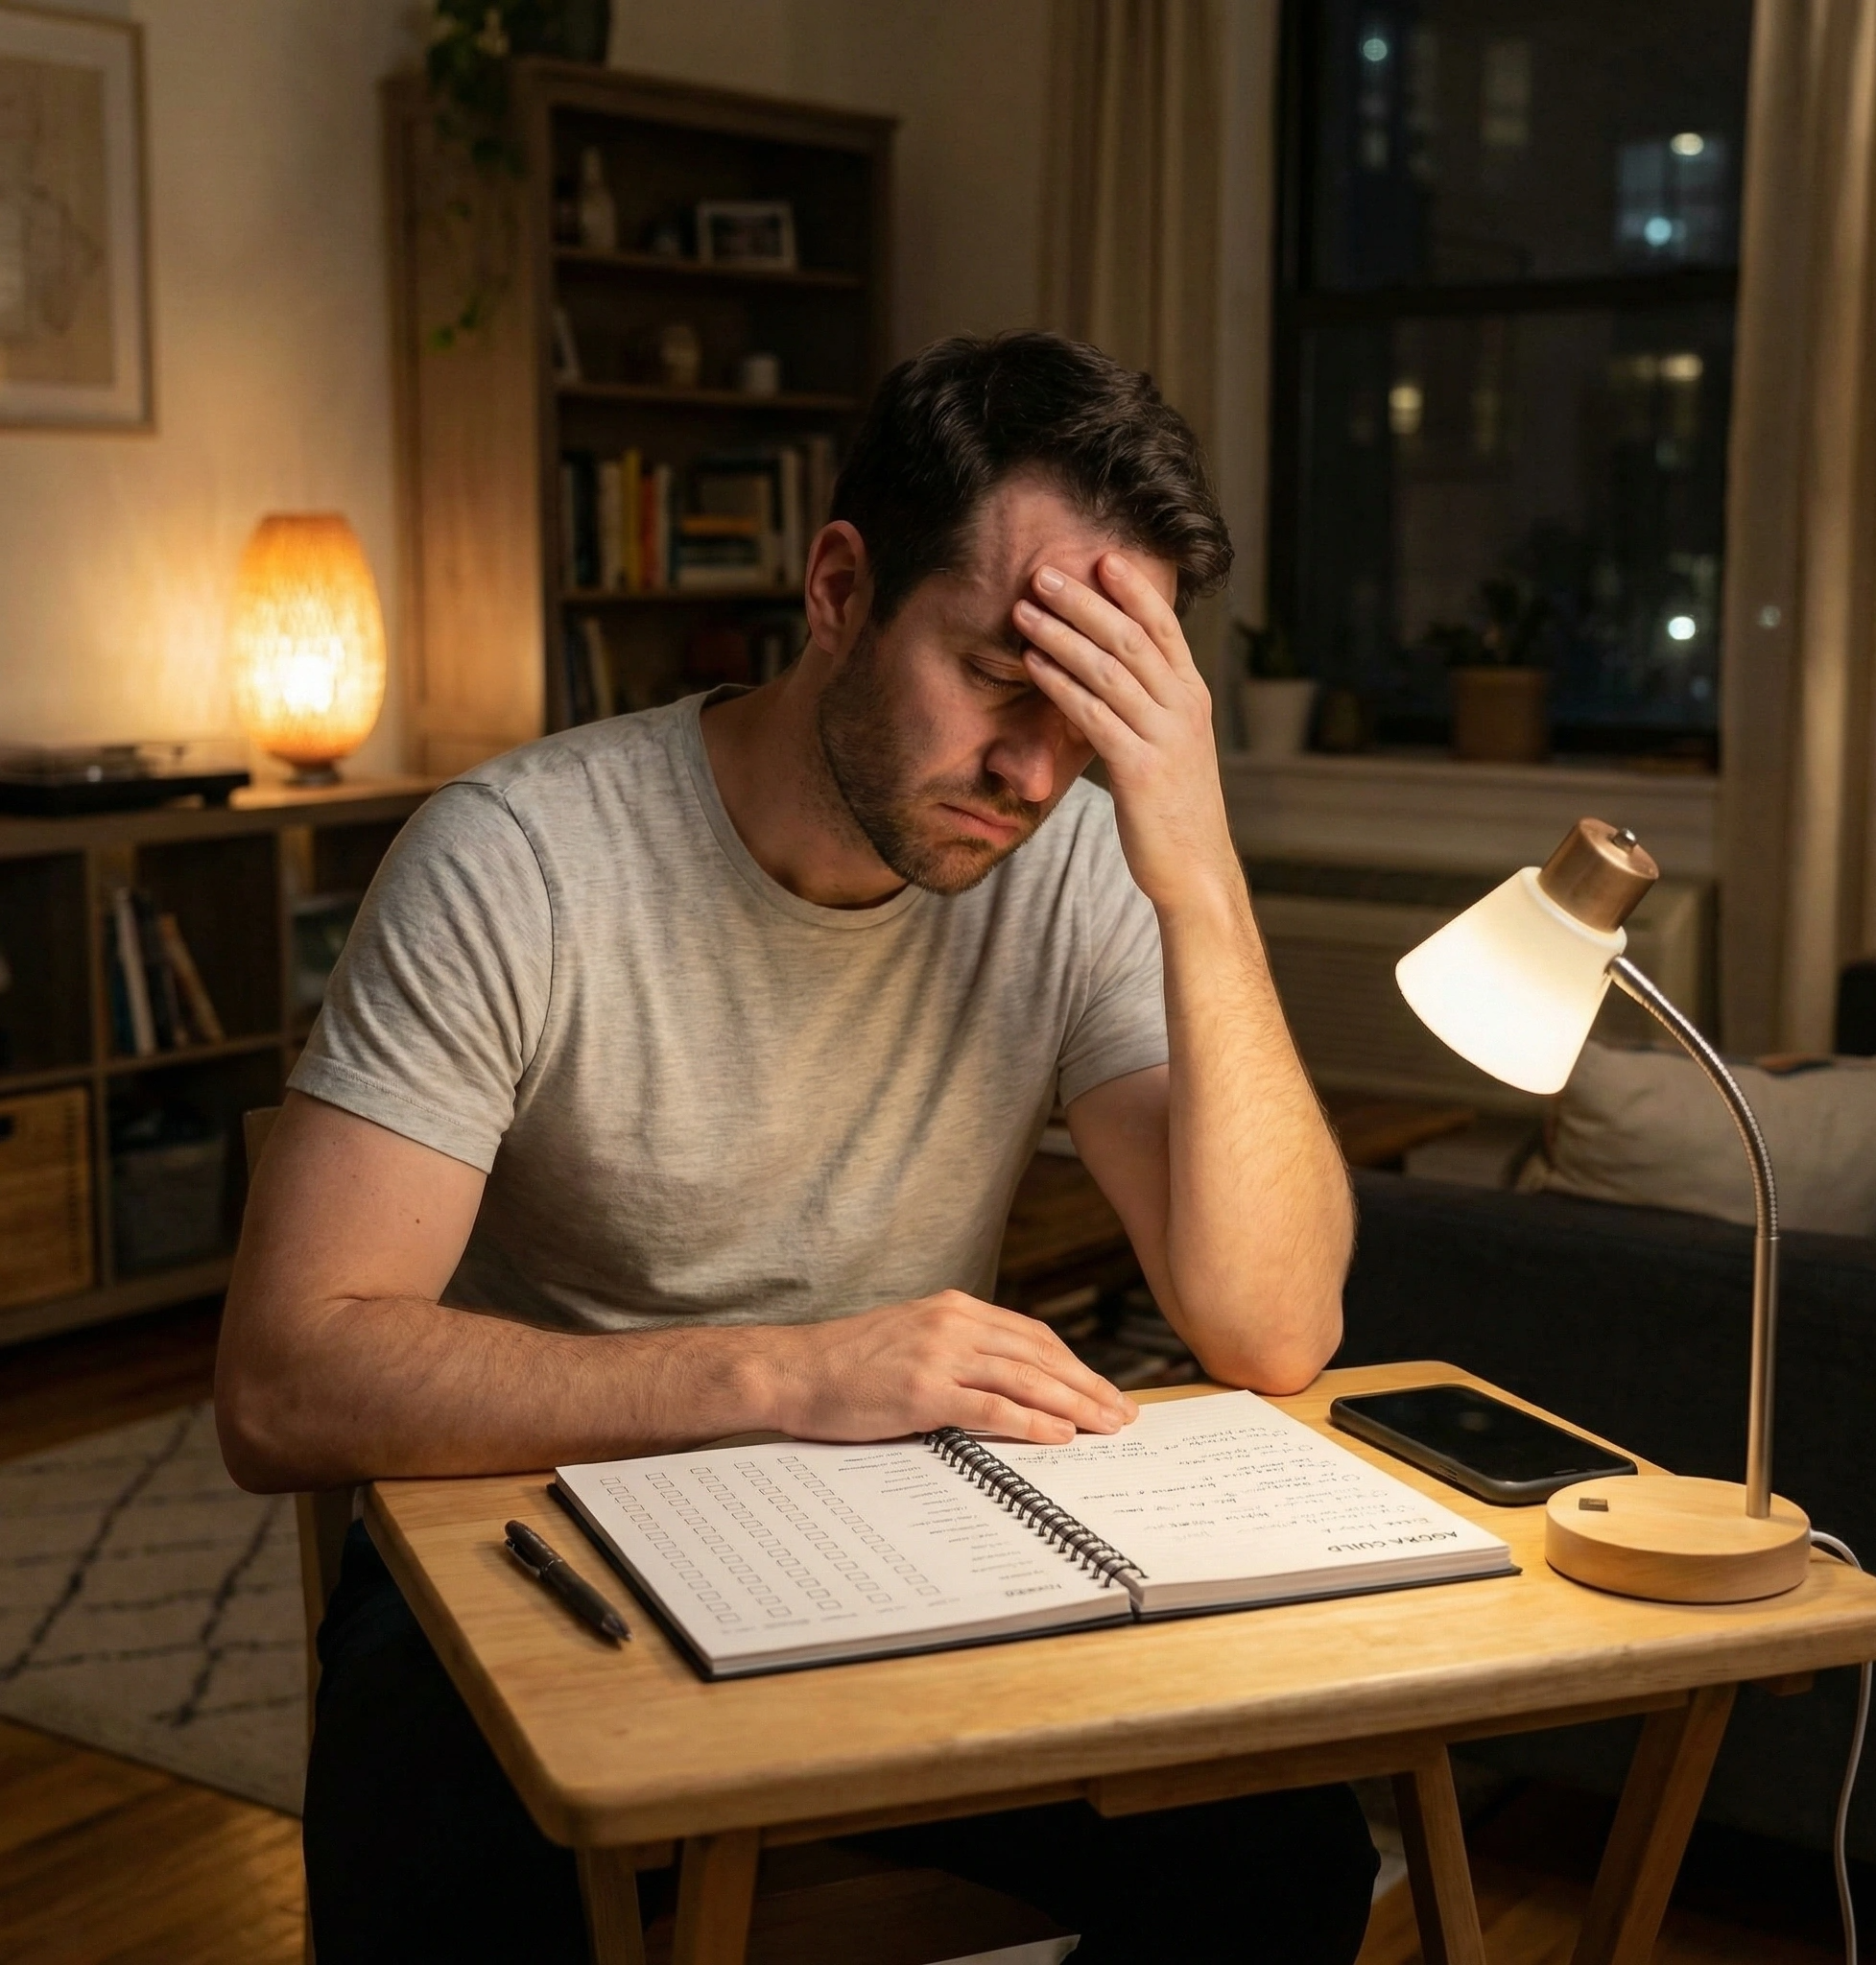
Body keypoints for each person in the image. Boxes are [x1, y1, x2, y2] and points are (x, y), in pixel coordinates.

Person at [216, 331, 1377, 1963]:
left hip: (906, 1556)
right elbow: (282, 1386)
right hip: (532, 1550)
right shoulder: (517, 864)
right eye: (994, 676)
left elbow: (1274, 1329)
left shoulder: (1083, 863)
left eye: (1094, 718)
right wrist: (786, 1377)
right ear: (839, 587)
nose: (1036, 772)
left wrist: (1198, 866)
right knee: (449, 1881)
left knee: (1286, 1857)